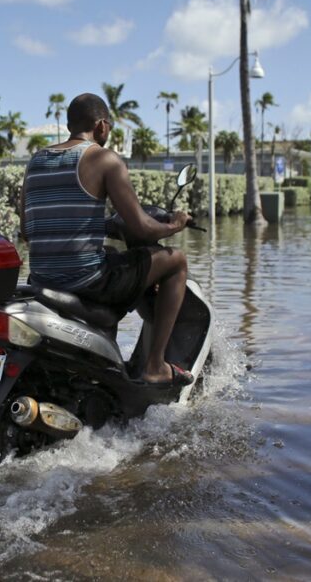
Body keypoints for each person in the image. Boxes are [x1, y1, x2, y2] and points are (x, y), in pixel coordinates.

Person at [19, 92, 193, 387]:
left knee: (111, 252)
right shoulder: (103, 158)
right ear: (101, 126)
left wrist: (94, 227)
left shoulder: (35, 161)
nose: (108, 132)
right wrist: (175, 224)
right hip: (87, 281)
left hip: (41, 280)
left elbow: (27, 229)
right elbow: (142, 228)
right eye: (109, 127)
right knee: (176, 260)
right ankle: (155, 366)